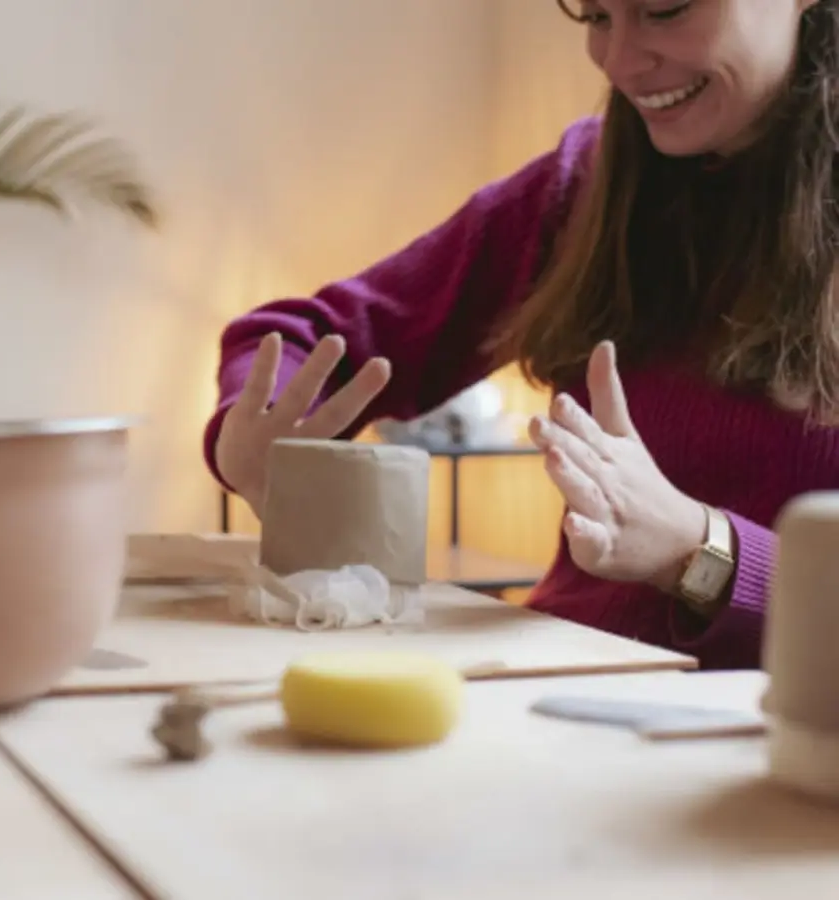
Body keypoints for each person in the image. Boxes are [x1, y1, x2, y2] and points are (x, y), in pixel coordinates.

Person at [201, 0, 839, 671]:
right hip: (546, 704)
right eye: (594, 15)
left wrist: (699, 550)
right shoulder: (580, 189)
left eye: (664, 8)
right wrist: (253, 433)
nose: (618, 62)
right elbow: (293, 334)